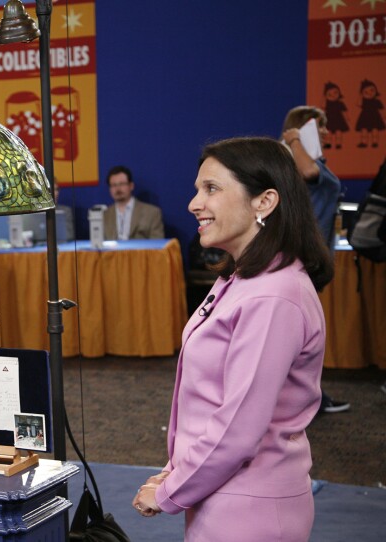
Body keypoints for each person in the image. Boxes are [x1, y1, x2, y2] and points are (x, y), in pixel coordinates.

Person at [132, 137, 333, 541]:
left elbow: (238, 427)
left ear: (264, 202)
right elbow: (213, 402)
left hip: (248, 511)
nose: (193, 204)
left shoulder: (274, 295)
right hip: (223, 496)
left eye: (211, 189)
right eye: (196, 189)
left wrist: (171, 490)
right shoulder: (242, 279)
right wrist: (177, 470)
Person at [281, 105, 350, 414]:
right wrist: (295, 139)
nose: (325, 132)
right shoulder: (298, 162)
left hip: (312, 257)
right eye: (320, 127)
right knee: (299, 334)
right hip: (302, 258)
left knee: (302, 334)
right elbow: (308, 173)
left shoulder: (312, 161)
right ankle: (307, 399)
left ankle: (307, 397)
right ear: (303, 128)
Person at [102, 165, 164, 240]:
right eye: (114, 185)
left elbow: (157, 245)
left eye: (121, 184)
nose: (117, 189)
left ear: (131, 186)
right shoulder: (104, 215)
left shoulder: (152, 213)